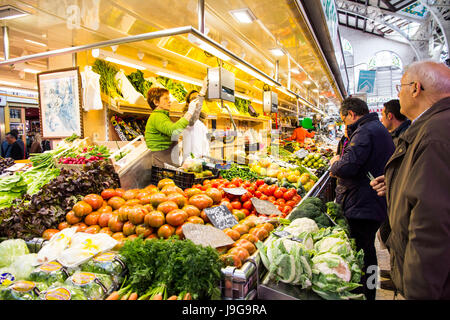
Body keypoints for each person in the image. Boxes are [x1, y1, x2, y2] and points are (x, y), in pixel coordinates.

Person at [370, 61, 450, 300]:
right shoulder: (432, 127)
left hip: (427, 284)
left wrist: (417, 292)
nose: (398, 93)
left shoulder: (435, 135)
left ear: (416, 88)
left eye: (401, 86)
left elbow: (432, 225)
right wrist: (397, 183)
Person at [329, 97, 395, 300]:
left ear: (351, 114)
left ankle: (368, 293)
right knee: (368, 251)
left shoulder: (365, 132)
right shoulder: (375, 128)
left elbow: (348, 166)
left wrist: (335, 163)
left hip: (363, 203)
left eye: (344, 119)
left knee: (366, 254)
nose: (344, 124)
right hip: (370, 201)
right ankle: (370, 291)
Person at [144, 80, 206, 167]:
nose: (170, 101)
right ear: (156, 102)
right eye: (166, 98)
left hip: (166, 159)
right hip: (161, 160)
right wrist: (190, 111)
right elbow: (174, 130)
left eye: (169, 98)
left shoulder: (162, 116)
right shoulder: (157, 117)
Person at [182, 90, 210, 161]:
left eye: (198, 98)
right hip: (190, 163)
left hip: (201, 162)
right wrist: (203, 90)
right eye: (193, 98)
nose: (196, 100)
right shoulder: (187, 118)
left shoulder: (201, 122)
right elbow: (192, 121)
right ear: (188, 103)